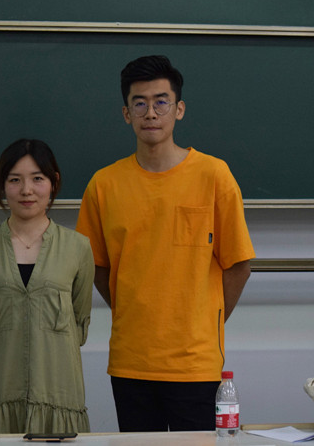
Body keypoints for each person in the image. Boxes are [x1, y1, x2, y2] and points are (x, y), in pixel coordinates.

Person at [76, 55, 255, 432]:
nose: (151, 113)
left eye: (161, 102)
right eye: (139, 103)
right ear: (126, 114)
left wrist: (202, 319)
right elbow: (97, 265)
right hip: (131, 361)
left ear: (179, 109)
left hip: (195, 363)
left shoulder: (213, 175)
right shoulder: (104, 184)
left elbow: (239, 264)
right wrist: (134, 310)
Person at [0, 139, 94, 435]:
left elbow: (79, 321)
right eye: (14, 180)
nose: (26, 190)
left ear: (54, 183)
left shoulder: (78, 248)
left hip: (57, 394)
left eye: (37, 179)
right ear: (2, 185)